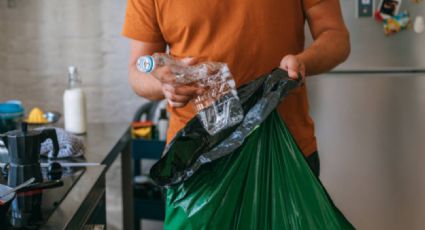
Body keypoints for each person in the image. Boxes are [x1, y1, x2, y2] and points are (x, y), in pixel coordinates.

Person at [123, 0, 350, 227]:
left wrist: (303, 62)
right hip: (197, 164)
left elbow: (336, 37)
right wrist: (164, 85)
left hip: (283, 153)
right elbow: (137, 71)